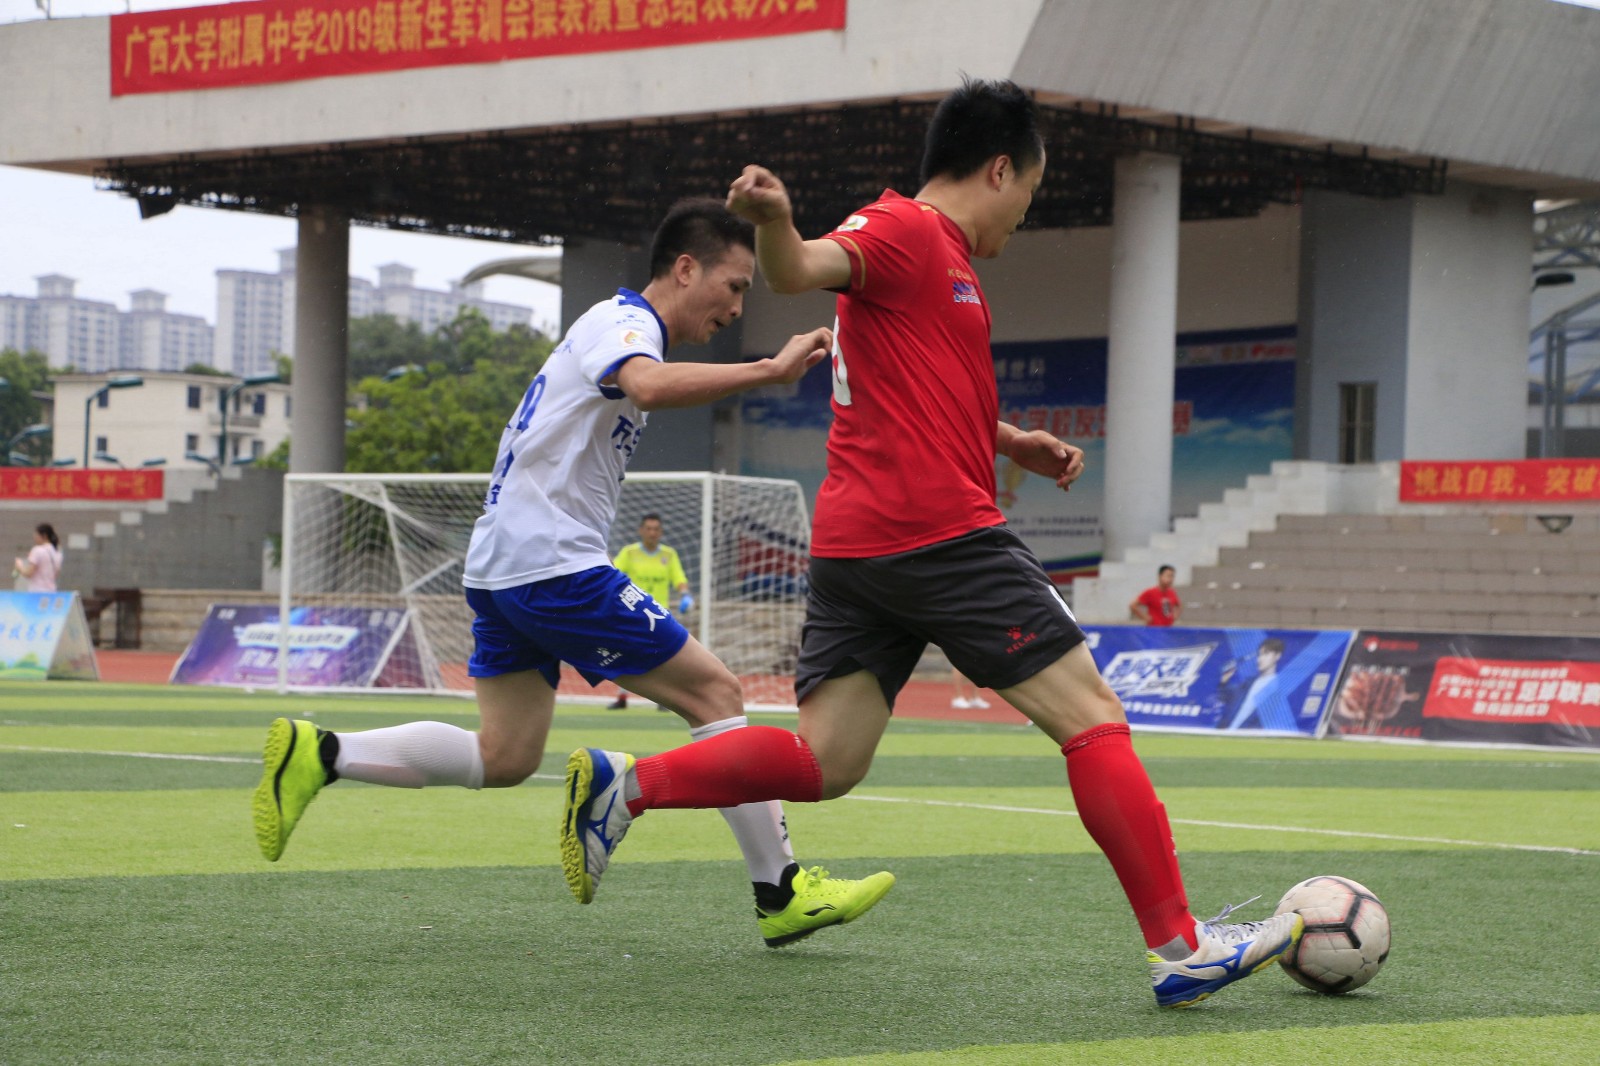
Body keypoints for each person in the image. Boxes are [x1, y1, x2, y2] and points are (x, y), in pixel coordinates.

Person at [561, 78, 1301, 1008]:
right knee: (1094, 718)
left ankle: (626, 788)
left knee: (826, 763)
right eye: (1027, 193)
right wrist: (781, 222)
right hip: (935, 533)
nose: (1023, 215)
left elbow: (919, 389)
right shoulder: (904, 230)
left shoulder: (945, 264)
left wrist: (1011, 439)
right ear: (1000, 168)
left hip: (857, 545)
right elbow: (800, 271)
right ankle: (1180, 945)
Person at [254, 198, 893, 948]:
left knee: (505, 755)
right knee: (716, 691)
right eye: (736, 284)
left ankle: (322, 753)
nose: (738, 303)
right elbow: (649, 386)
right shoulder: (623, 324)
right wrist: (768, 369)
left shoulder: (618, 330)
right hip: (551, 566)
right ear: (685, 269)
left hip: (503, 569)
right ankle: (780, 891)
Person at [606, 513, 691, 710]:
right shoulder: (630, 553)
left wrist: (686, 594)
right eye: (649, 529)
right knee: (624, 653)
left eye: (656, 529)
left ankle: (665, 700)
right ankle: (622, 698)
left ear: (661, 533)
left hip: (660, 615)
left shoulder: (668, 555)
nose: (652, 533)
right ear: (641, 531)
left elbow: (678, 578)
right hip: (632, 612)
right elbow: (614, 572)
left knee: (667, 657)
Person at [14, 523, 62, 592]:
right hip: (52, 591)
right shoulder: (57, 552)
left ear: (44, 536)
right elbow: (56, 574)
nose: (34, 538)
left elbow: (29, 573)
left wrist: (19, 567)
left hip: (37, 592)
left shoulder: (37, 550)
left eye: (36, 535)